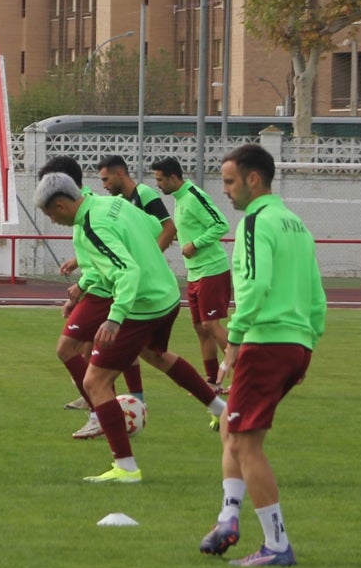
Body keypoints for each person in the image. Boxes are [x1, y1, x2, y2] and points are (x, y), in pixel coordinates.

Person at [34, 172, 226, 484]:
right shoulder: (113, 204)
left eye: (49, 214)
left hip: (143, 303)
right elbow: (152, 228)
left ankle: (125, 467)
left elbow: (126, 271)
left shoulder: (91, 226)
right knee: (156, 354)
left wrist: (115, 316)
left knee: (96, 381)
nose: (52, 221)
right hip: (166, 293)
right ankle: (220, 408)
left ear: (60, 205)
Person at [198, 144, 326, 567]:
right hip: (294, 343)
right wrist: (306, 345)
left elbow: (254, 287)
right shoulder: (295, 224)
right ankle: (228, 517)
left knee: (245, 443)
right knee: (231, 428)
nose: (226, 192)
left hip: (265, 340)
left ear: (254, 180)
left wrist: (234, 342)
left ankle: (276, 546)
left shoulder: (256, 222)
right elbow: (316, 295)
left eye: (230, 182)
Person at [39, 156, 148, 439]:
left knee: (77, 351)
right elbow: (96, 256)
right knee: (90, 351)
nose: (51, 217)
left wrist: (86, 287)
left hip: (109, 290)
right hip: (102, 287)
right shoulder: (87, 208)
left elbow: (158, 230)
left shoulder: (91, 211)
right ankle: (109, 406)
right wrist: (79, 286)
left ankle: (102, 411)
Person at [150, 157, 232, 390]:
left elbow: (220, 224)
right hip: (195, 272)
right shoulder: (179, 199)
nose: (158, 185)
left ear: (174, 178)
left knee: (211, 324)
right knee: (200, 328)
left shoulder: (194, 196)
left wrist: (195, 244)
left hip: (212, 269)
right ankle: (213, 381)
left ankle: (246, 376)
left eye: (160, 180)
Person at [97, 154, 177, 251]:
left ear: (119, 173)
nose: (104, 186)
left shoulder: (144, 193)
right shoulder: (120, 201)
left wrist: (151, 256)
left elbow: (169, 228)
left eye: (106, 179)